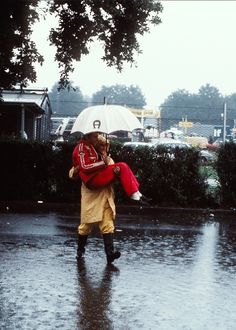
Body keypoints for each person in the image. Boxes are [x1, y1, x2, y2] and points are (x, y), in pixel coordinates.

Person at [69, 135, 121, 264]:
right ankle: (80, 251)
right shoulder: (88, 157)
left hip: (106, 196)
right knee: (85, 225)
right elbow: (73, 172)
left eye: (105, 145)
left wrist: (116, 172)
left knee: (108, 225)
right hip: (91, 196)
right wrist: (75, 171)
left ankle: (110, 254)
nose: (103, 148)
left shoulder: (109, 160)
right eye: (101, 145)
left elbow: (114, 177)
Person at [72, 132, 150, 205]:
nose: (97, 139)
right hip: (92, 181)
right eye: (95, 137)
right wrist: (103, 163)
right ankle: (134, 195)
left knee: (123, 165)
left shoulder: (90, 146)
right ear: (87, 136)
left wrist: (117, 173)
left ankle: (136, 192)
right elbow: (84, 167)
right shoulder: (81, 147)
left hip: (103, 190)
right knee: (122, 166)